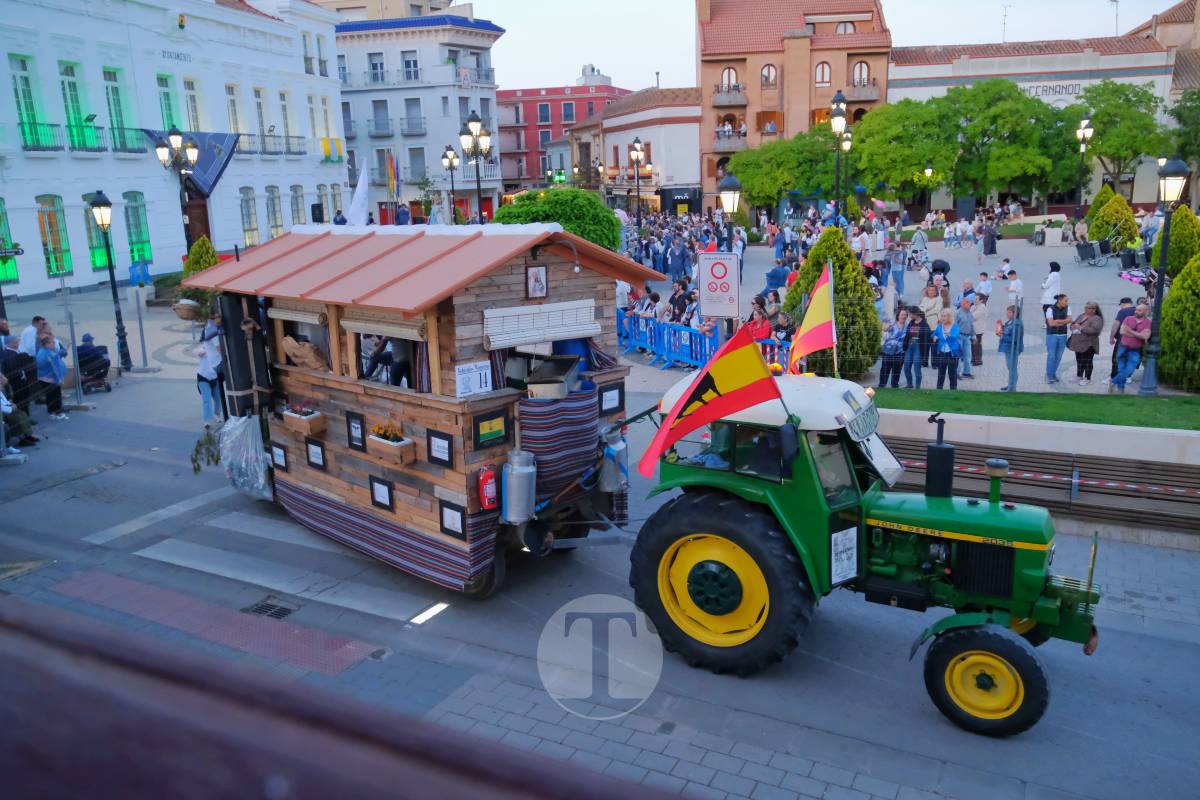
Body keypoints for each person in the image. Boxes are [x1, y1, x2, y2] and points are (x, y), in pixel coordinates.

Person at [1111, 301, 1152, 393]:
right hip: (1123, 347)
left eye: (1139, 310)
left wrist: (1130, 331)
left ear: (1146, 312)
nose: (1136, 311)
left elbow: (1145, 337)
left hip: (1135, 349)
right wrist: (1138, 335)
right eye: (1136, 309)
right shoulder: (1128, 319)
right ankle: (1121, 389)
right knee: (1121, 369)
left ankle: (1113, 381)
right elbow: (1122, 332)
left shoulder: (1148, 322)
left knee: (1129, 370)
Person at [1068, 301, 1105, 386]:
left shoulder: (1097, 319)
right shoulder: (1081, 315)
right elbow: (1073, 324)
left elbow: (1095, 330)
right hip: (1078, 343)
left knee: (1087, 361)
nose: (1086, 309)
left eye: (1088, 308)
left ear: (1094, 310)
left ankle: (1087, 378)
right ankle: (1079, 376)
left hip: (1089, 344)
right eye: (1085, 307)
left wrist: (1080, 328)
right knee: (1079, 360)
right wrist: (1072, 326)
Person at [35, 333, 68, 420]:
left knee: (50, 395)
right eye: (52, 343)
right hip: (51, 379)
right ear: (46, 344)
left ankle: (52, 412)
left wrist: (58, 355)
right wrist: (58, 379)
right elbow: (54, 368)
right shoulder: (49, 353)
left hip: (43, 378)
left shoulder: (42, 351)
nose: (54, 344)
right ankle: (58, 412)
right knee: (55, 395)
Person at [1105, 297, 1137, 383]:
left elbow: (1116, 325)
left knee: (1117, 358)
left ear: (1123, 304)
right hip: (1136, 340)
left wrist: (1111, 338)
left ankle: (1113, 377)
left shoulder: (1123, 311)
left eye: (1121, 305)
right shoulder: (1138, 310)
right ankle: (1128, 377)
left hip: (1123, 339)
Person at [1044, 293, 1072, 383]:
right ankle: (1049, 375)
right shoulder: (1050, 309)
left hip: (1063, 335)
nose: (1067, 302)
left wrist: (1058, 321)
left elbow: (1070, 320)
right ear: (1059, 300)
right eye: (1065, 300)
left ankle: (1053, 373)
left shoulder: (1068, 308)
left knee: (1058, 356)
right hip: (1052, 335)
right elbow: (1051, 324)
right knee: (1052, 356)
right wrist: (1064, 321)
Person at [930, 308, 961, 389]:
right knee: (941, 373)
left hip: (952, 354)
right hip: (942, 353)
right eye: (942, 316)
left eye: (945, 316)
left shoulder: (955, 326)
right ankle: (939, 390)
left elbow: (955, 336)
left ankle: (953, 391)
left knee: (952, 374)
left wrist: (949, 335)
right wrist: (934, 336)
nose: (942, 318)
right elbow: (933, 334)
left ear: (949, 317)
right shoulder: (940, 326)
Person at [996, 305, 1025, 392]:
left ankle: (1012, 387)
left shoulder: (1017, 324)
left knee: (1012, 368)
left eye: (1009, 312)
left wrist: (1002, 335)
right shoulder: (1011, 322)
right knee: (1010, 367)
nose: (1007, 314)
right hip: (1008, 348)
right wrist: (1002, 327)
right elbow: (1007, 331)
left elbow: (1014, 339)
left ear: (1014, 313)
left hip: (1012, 349)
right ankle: (1010, 384)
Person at [901, 307, 931, 388]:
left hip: (918, 348)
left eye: (910, 314)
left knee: (917, 369)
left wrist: (925, 357)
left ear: (915, 314)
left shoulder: (925, 325)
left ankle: (917, 387)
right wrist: (904, 346)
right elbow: (907, 336)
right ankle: (909, 384)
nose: (909, 315)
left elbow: (927, 342)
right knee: (906, 367)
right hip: (909, 348)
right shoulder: (911, 322)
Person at [878, 309, 909, 389]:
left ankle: (894, 385)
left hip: (900, 352)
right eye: (902, 314)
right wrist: (890, 324)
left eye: (905, 315)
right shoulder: (893, 324)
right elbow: (884, 329)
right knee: (885, 370)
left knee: (897, 370)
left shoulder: (908, 326)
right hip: (888, 351)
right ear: (898, 316)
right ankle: (882, 385)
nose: (904, 316)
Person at [195, 341, 224, 424]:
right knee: (206, 400)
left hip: (215, 378)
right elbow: (199, 352)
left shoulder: (218, 351)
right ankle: (207, 421)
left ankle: (217, 415)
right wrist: (205, 351)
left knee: (218, 398)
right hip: (203, 378)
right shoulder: (205, 347)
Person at [954, 298, 975, 379]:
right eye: (967, 302)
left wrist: (974, 336)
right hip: (959, 336)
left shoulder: (970, 313)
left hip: (967, 337)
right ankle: (956, 373)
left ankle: (967, 372)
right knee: (958, 355)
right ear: (962, 304)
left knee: (968, 355)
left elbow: (971, 325)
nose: (969, 304)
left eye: (969, 302)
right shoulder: (958, 313)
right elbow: (954, 325)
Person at [970, 295, 988, 368]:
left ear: (981, 300)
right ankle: (974, 359)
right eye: (974, 298)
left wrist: (970, 313)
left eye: (976, 299)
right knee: (974, 345)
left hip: (978, 329)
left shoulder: (982, 307)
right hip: (973, 329)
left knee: (976, 345)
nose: (974, 300)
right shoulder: (974, 306)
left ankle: (978, 361)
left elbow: (973, 316)